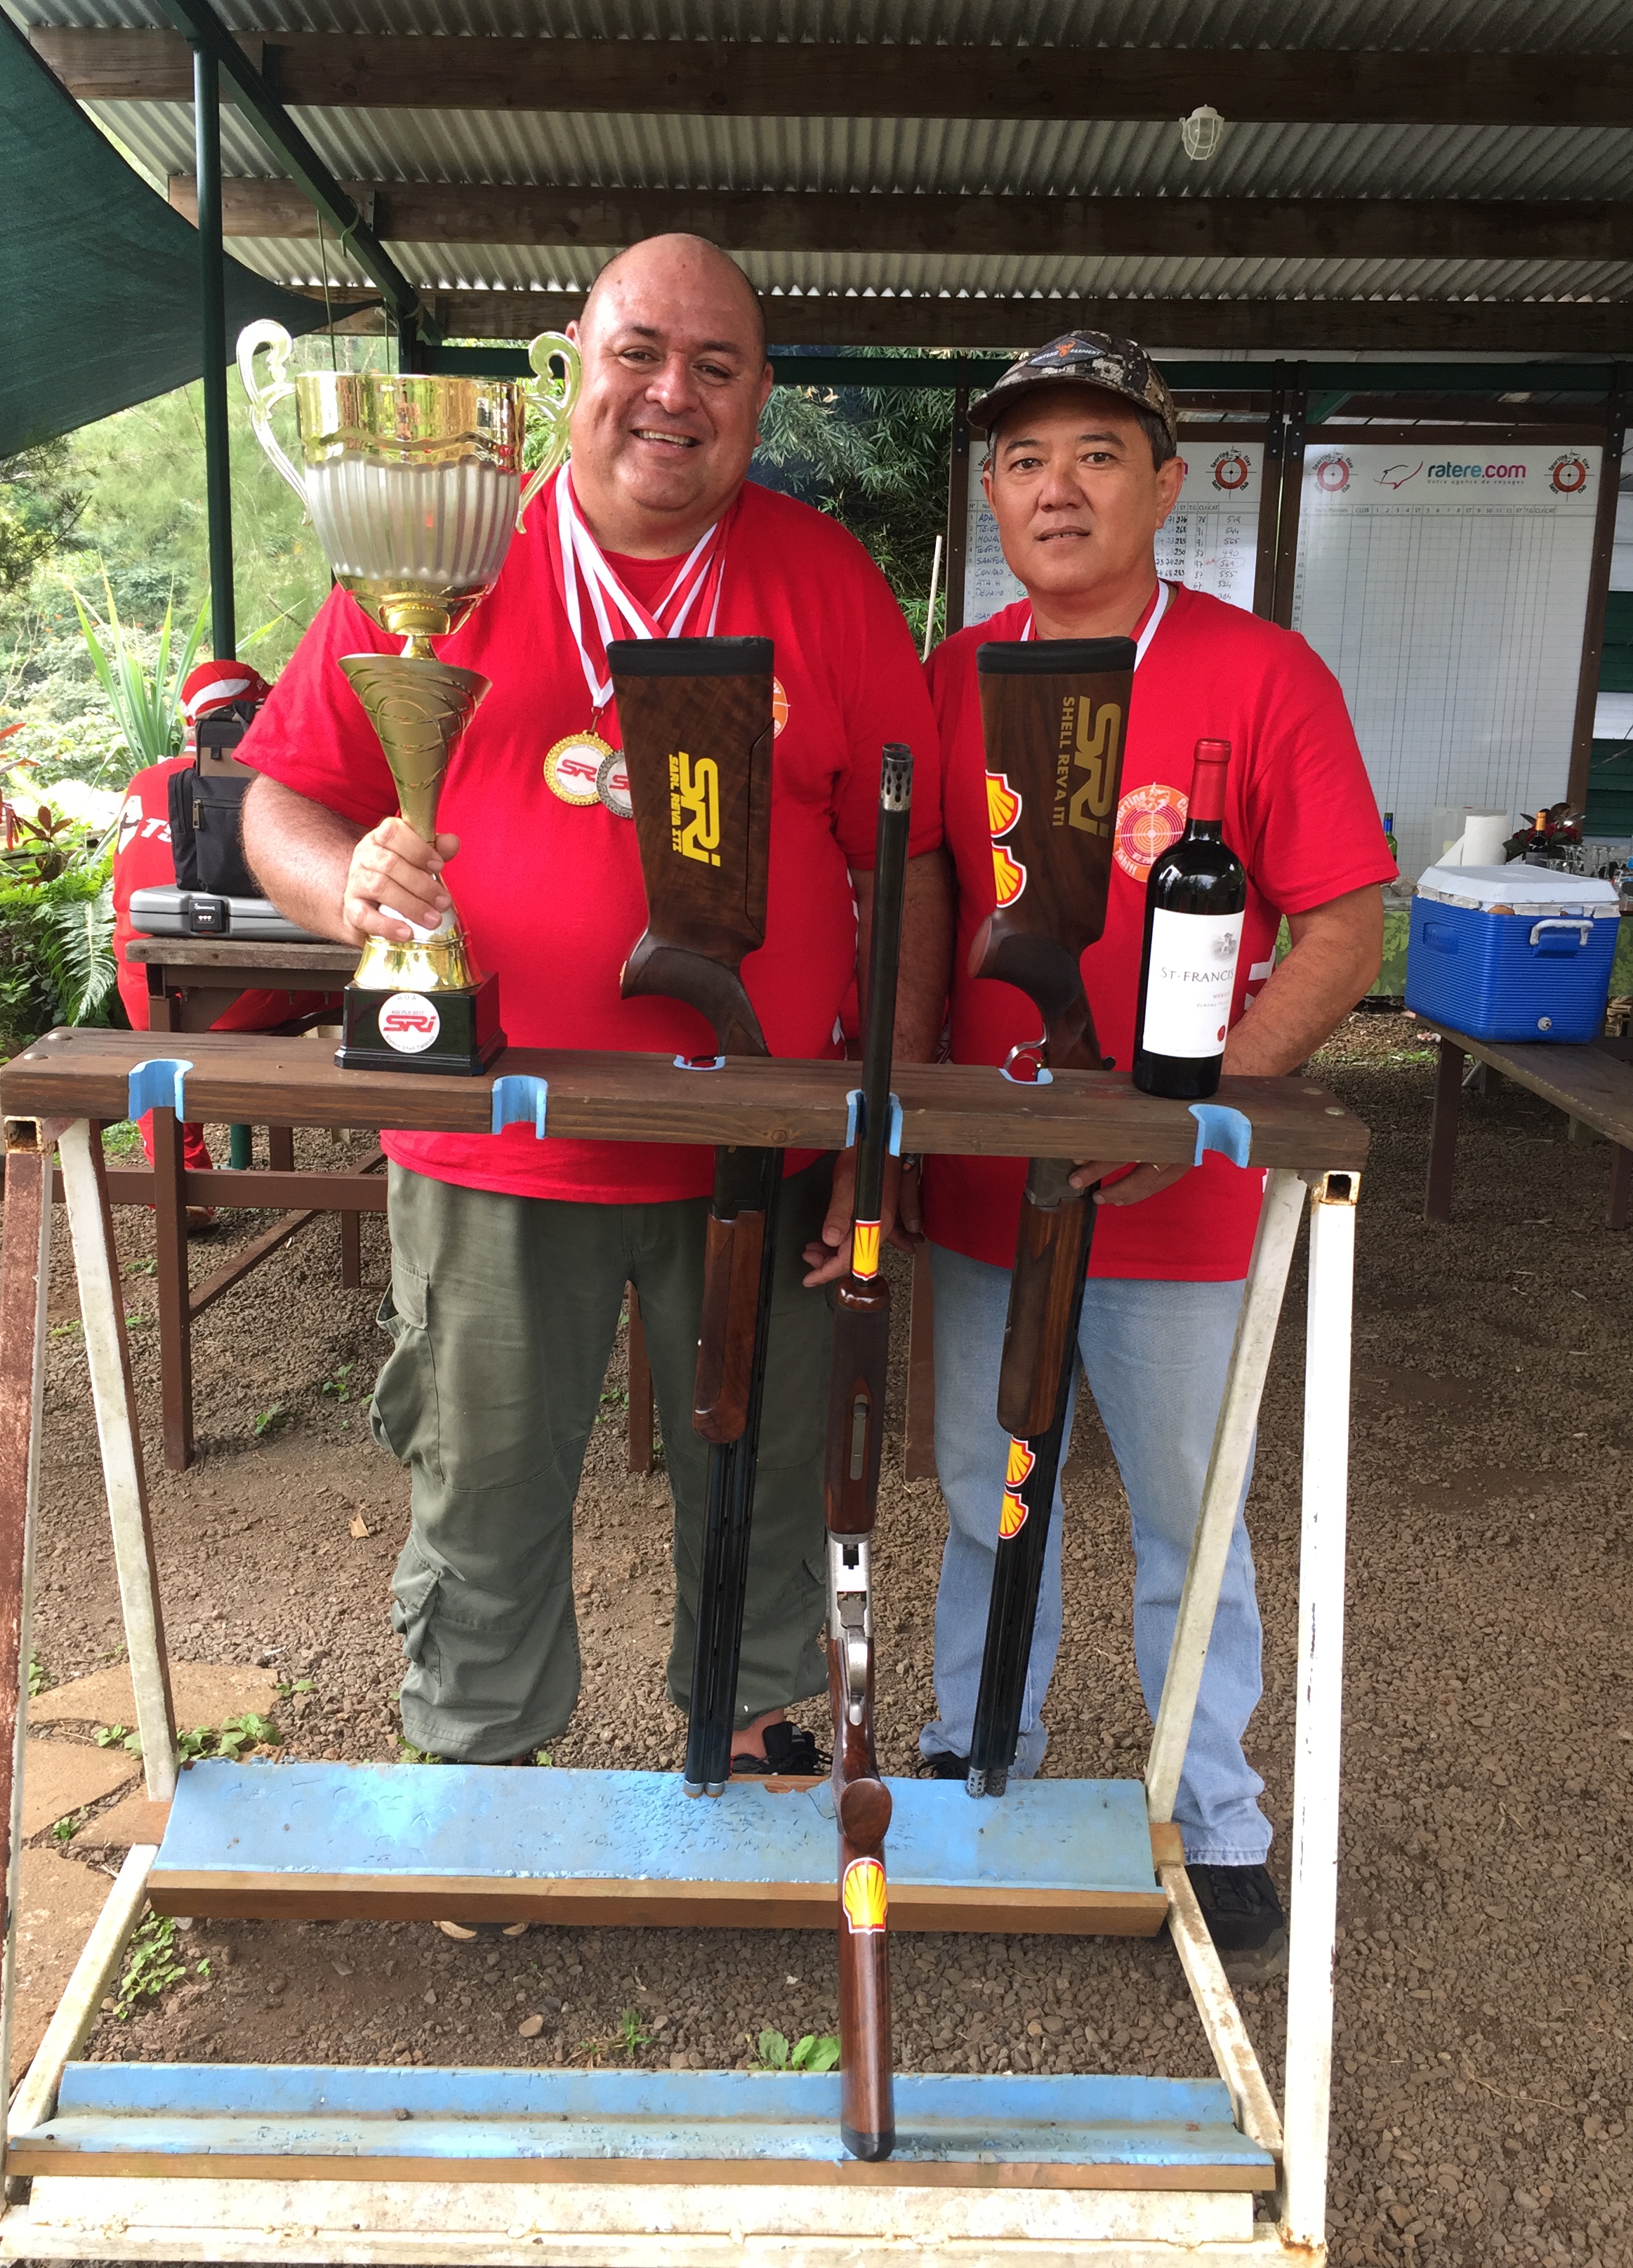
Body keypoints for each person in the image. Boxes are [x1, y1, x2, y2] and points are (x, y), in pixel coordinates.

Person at [239, 234, 948, 1771]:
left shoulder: (822, 579)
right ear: (574, 360)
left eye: (716, 365)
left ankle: (753, 1739)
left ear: (760, 393)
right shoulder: (441, 542)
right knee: (482, 1480)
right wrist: (341, 890)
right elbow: (284, 799)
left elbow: (917, 866)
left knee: (764, 1478)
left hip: (765, 1146)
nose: (671, 395)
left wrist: (880, 1125)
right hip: (493, 1146)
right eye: (639, 352)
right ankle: (480, 1760)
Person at [918, 329, 1392, 1974]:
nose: (1057, 486)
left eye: (1097, 454)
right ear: (989, 488)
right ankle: (975, 1755)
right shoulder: (953, 668)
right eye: (1025, 457)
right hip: (985, 1181)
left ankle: (1212, 1813)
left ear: (1165, 483)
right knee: (987, 1497)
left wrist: (1209, 1099)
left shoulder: (1259, 674)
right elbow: (915, 905)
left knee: (1192, 1509)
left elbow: (1340, 917)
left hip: (1177, 1202)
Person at [111, 659, 332, 1231]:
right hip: (253, 994)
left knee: (158, 1042)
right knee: (360, 984)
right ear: (253, 711)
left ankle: (182, 1187)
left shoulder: (143, 782)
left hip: (149, 993)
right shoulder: (272, 785)